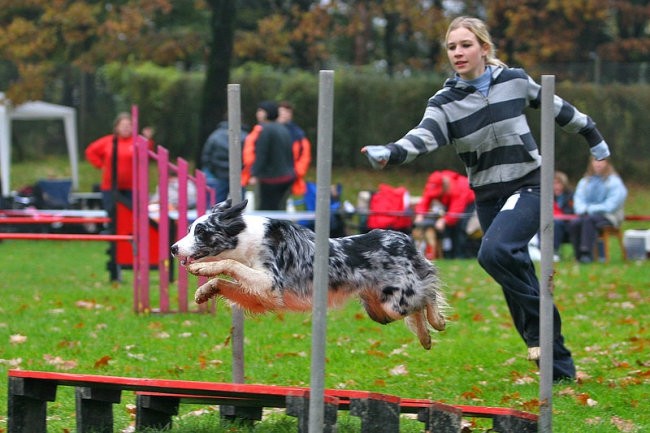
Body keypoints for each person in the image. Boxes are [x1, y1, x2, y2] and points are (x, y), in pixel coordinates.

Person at [362, 16, 613, 382]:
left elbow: (559, 108)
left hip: (529, 184)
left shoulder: (513, 82)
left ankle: (541, 330)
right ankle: (559, 369)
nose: (458, 53)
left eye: (466, 45)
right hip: (487, 194)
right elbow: (422, 136)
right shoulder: (445, 102)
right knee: (513, 267)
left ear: (483, 47)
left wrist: (593, 136)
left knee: (494, 253)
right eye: (452, 47)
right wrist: (391, 152)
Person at [85, 112, 154, 213]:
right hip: (110, 186)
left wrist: (148, 140)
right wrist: (100, 165)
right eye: (123, 125)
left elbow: (147, 156)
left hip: (133, 187)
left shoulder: (138, 141)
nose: (126, 128)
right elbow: (90, 151)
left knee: (131, 215)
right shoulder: (108, 141)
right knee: (112, 214)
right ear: (117, 127)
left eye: (129, 125)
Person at [568, 157, 627, 263]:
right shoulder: (585, 181)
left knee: (589, 221)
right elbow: (579, 200)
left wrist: (590, 209)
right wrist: (583, 209)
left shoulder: (614, 182)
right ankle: (578, 255)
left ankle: (586, 254)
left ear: (607, 163)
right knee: (575, 223)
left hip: (609, 216)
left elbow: (611, 205)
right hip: (587, 215)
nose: (598, 164)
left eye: (601, 161)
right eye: (595, 160)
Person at [241, 101, 295, 210]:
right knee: (279, 210)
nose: (258, 114)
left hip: (271, 179)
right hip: (287, 176)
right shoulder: (283, 129)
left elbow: (262, 154)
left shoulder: (265, 130)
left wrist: (254, 174)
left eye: (261, 111)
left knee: (265, 212)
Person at [413, 170, 476, 259]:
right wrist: (420, 214)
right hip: (451, 203)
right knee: (447, 229)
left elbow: (455, 212)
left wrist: (444, 220)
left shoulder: (457, 188)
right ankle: (447, 255)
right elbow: (425, 200)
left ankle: (461, 255)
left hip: (469, 202)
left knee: (461, 226)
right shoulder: (433, 184)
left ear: (443, 186)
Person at [200, 119, 248, 204]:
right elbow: (248, 156)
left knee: (218, 203)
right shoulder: (244, 136)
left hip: (219, 174)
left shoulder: (215, 135)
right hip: (239, 175)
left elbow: (206, 155)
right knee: (239, 203)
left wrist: (213, 170)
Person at [278, 100, 312, 197]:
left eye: (286, 112)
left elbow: (305, 156)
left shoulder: (298, 135)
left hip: (290, 179)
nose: (284, 115)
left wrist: (295, 173)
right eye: (281, 112)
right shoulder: (267, 130)